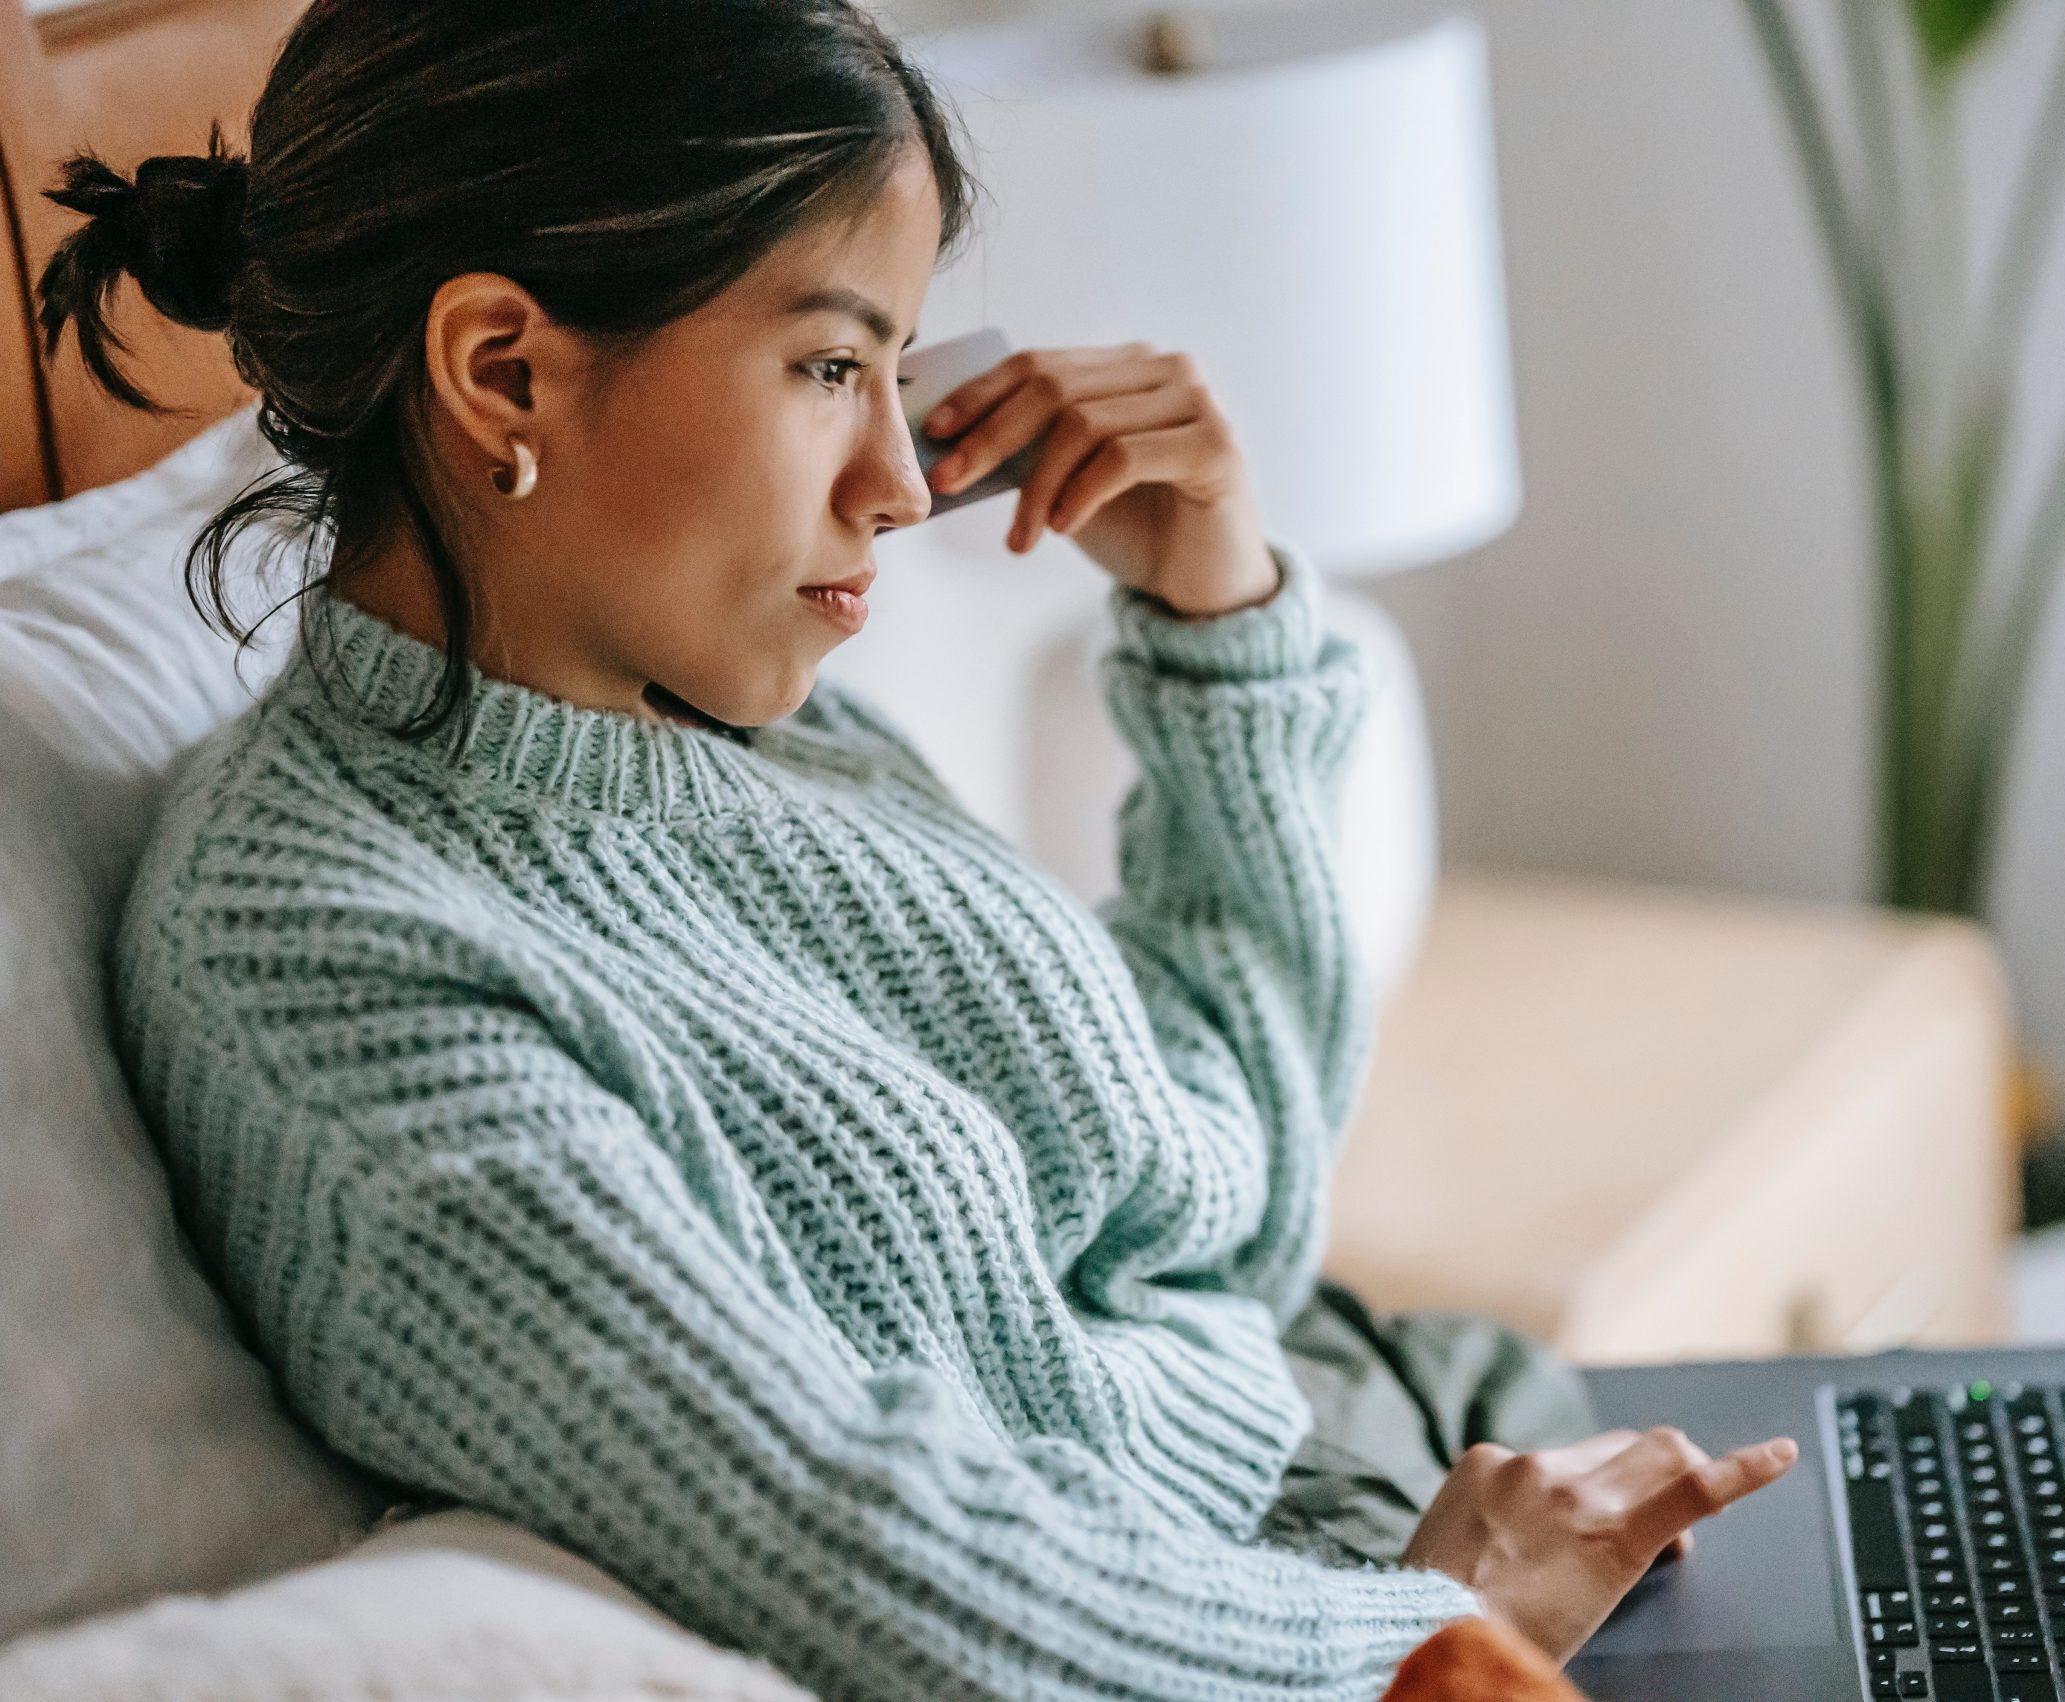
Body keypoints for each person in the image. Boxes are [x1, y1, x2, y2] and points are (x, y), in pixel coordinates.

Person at [41, 2, 1797, 1697]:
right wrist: (1430, 1629)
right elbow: (863, 1551)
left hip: (1379, 1440)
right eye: (824, 363)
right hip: (1305, 1623)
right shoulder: (315, 954)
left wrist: (1218, 623)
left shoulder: (751, 732)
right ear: (502, 369)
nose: (895, 477)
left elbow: (1221, 1215)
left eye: (896, 363)